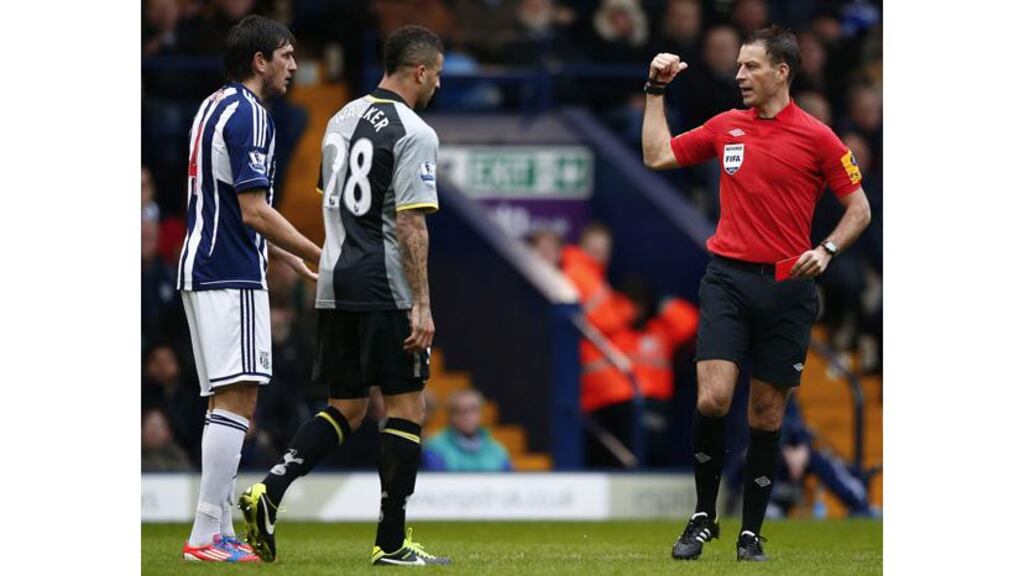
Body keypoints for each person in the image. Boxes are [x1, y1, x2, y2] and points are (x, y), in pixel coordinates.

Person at [641, 25, 871, 562]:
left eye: (751, 67)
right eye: (739, 66)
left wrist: (829, 250)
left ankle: (751, 534)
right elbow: (657, 156)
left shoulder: (818, 137)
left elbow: (859, 209)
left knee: (766, 416)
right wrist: (655, 92)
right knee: (712, 397)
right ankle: (702, 517)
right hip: (728, 278)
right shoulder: (726, 127)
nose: (740, 75)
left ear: (781, 72)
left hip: (790, 288)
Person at [238, 25, 451, 566]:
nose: (439, 84)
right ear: (420, 70)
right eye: (438, 74)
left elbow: (331, 199)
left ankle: (271, 490)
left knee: (347, 406)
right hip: (385, 285)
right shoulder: (415, 131)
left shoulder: (340, 118)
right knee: (406, 406)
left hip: (335, 281)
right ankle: (392, 541)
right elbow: (411, 226)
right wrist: (422, 303)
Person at [177, 15, 321, 563]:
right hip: (228, 273)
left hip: (207, 265)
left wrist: (284, 254)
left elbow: (231, 206)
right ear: (259, 61)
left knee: (227, 397)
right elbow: (254, 209)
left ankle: (210, 531)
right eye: (285, 55)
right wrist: (317, 251)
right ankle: (207, 536)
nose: (293, 65)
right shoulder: (253, 114)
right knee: (238, 396)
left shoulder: (213, 106)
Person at [422, 389, 513, 471]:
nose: (467, 417)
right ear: (450, 416)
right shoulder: (435, 448)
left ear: (481, 414)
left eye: (473, 410)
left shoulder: (497, 450)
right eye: (460, 411)